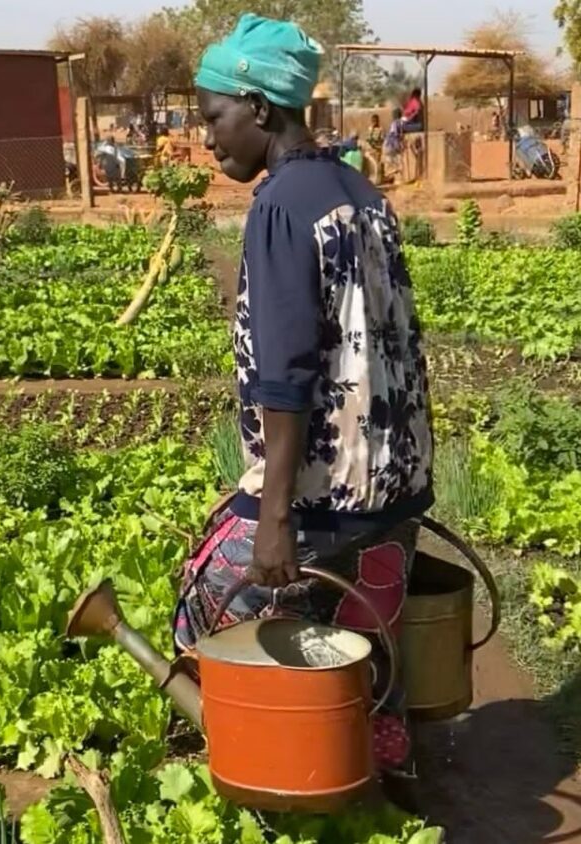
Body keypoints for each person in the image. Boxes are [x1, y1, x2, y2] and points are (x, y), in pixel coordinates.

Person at [175, 13, 434, 806]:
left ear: (259, 107)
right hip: (392, 492)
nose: (207, 137)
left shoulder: (283, 205)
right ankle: (380, 770)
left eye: (215, 117)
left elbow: (285, 377)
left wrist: (277, 515)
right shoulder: (361, 192)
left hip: (321, 495)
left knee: (201, 606)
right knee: (369, 640)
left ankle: (268, 783)